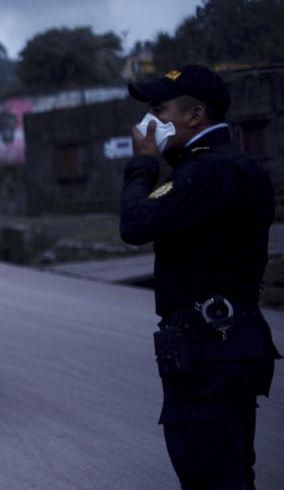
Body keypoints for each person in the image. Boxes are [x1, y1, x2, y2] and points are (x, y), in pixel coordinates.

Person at [119, 64, 280, 489]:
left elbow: (135, 224)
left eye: (160, 109)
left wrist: (142, 165)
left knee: (209, 475)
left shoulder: (203, 173)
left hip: (207, 346)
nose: (150, 122)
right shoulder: (243, 168)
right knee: (231, 470)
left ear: (195, 116)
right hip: (237, 336)